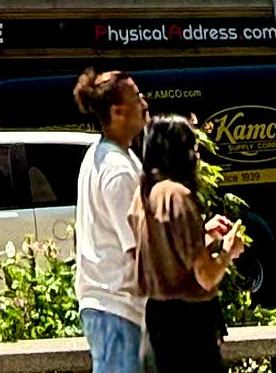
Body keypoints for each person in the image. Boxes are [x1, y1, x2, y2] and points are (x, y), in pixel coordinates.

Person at [133, 115, 244, 373]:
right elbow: (205, 276)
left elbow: (166, 254)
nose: (196, 155)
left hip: (158, 317)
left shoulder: (145, 194)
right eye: (192, 148)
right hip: (189, 324)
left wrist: (203, 236)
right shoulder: (178, 195)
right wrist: (228, 250)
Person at [73, 68, 149, 373]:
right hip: (116, 308)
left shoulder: (108, 155)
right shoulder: (117, 169)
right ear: (118, 111)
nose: (145, 103)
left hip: (110, 307)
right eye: (137, 97)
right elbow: (138, 248)